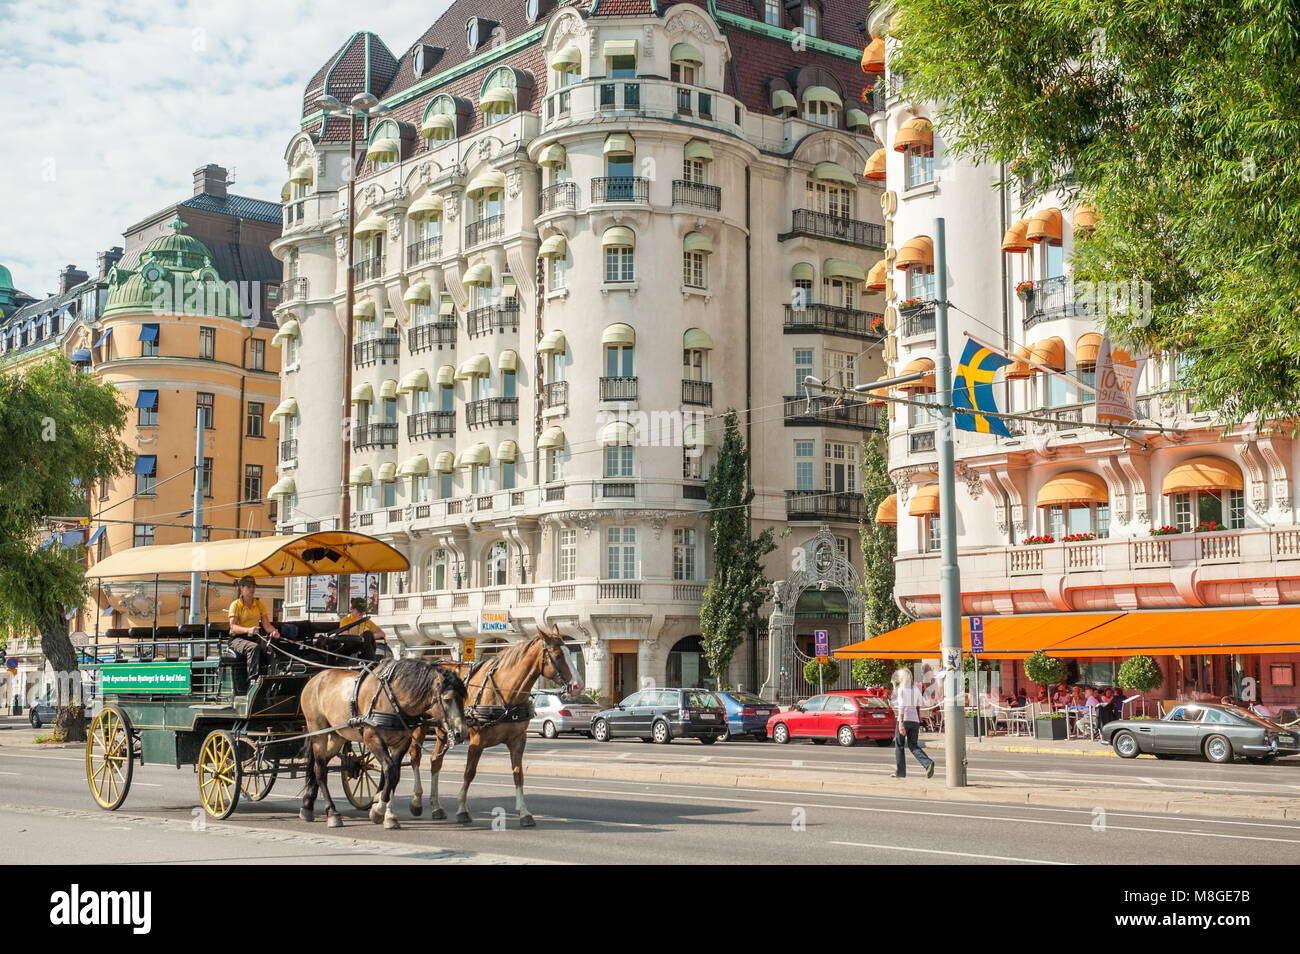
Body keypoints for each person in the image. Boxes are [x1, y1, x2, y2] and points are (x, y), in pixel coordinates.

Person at [227, 576, 279, 680]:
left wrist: (274, 632)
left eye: (254, 586)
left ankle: (274, 677)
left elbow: (267, 626)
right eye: (249, 586)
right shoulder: (236, 605)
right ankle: (253, 680)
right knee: (254, 647)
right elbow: (233, 626)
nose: (252, 589)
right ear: (241, 587)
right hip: (237, 639)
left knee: (270, 649)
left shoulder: (259, 604)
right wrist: (248, 630)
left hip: (253, 638)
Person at [889, 668, 935, 780]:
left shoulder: (901, 690)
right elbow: (920, 704)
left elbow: (901, 707)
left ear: (902, 678)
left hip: (904, 720)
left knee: (899, 746)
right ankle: (927, 763)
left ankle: (900, 772)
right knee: (913, 745)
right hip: (914, 720)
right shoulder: (915, 689)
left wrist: (900, 724)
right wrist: (917, 719)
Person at [339, 596, 386, 661]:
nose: (361, 613)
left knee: (368, 634)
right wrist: (357, 622)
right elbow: (349, 638)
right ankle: (370, 661)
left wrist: (368, 637)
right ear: (352, 609)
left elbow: (382, 634)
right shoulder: (346, 620)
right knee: (367, 634)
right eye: (358, 611)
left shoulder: (367, 621)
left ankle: (370, 660)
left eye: (362, 611)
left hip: (365, 646)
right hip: (349, 648)